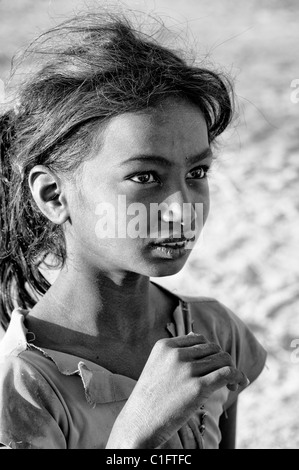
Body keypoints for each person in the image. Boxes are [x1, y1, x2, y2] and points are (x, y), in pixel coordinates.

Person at [0, 10, 266, 449]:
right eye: (145, 177)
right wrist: (135, 436)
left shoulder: (214, 331)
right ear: (53, 195)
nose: (182, 211)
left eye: (197, 172)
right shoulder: (24, 389)